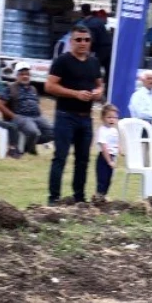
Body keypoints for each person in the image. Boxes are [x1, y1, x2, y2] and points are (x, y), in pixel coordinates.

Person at [45, 25, 104, 204]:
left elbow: (100, 85)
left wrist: (97, 93)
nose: (82, 43)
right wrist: (75, 93)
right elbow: (49, 86)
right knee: (60, 157)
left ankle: (79, 197)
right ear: (71, 42)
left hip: (85, 117)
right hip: (66, 115)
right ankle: (53, 198)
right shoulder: (62, 61)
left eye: (86, 40)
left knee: (83, 159)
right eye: (78, 40)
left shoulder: (94, 62)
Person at [0, 62, 53, 156]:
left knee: (52, 133)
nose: (25, 76)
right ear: (16, 76)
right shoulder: (10, 88)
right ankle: (27, 149)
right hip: (21, 117)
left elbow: (36, 103)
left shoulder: (33, 89)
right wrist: (14, 116)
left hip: (37, 116)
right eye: (22, 74)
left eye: (27, 74)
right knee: (33, 131)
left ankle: (27, 144)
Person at [94, 104, 120, 200]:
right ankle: (98, 197)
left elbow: (116, 142)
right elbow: (104, 147)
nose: (112, 120)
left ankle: (103, 196)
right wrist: (109, 161)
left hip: (112, 157)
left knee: (109, 180)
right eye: (109, 117)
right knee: (102, 179)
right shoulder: (102, 130)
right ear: (103, 118)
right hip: (103, 158)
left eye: (114, 117)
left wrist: (119, 150)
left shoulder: (114, 130)